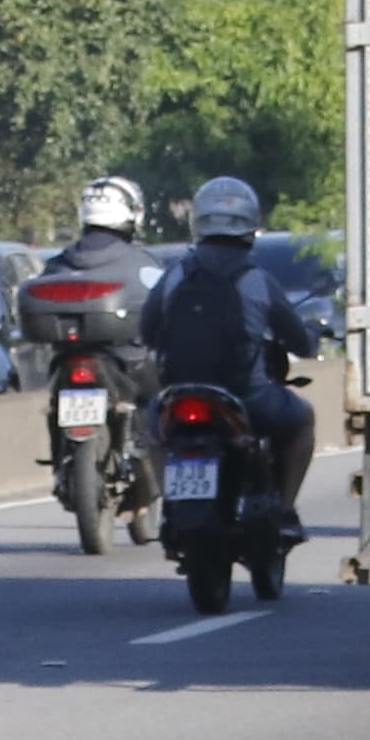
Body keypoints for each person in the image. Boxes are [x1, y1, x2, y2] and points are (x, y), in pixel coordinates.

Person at [140, 176, 316, 503]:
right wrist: (311, 337)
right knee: (303, 419)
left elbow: (147, 331)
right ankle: (285, 507)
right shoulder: (258, 281)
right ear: (250, 226)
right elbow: (301, 343)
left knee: (153, 431)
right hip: (248, 397)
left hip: (180, 393)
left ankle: (170, 502)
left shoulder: (174, 275)